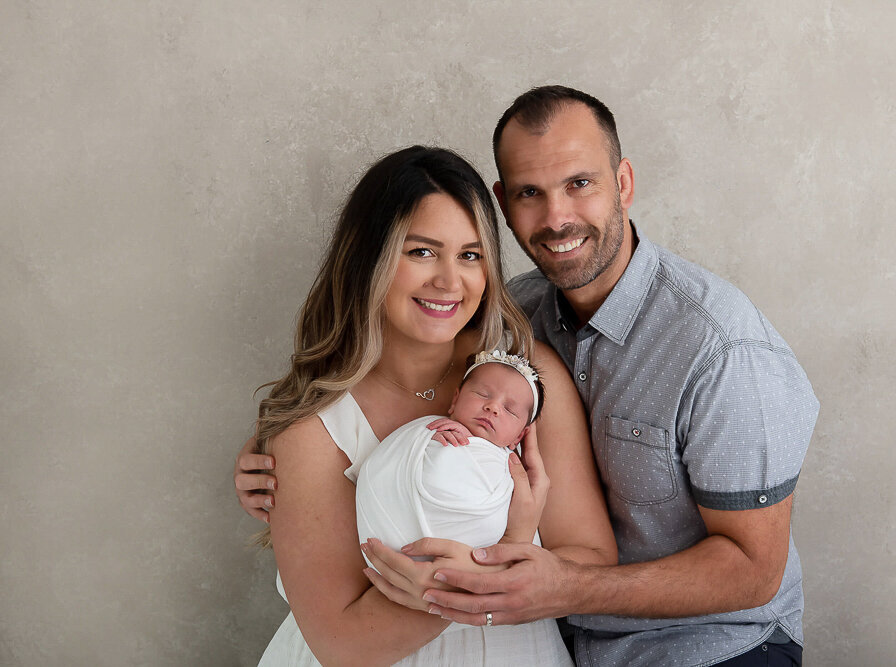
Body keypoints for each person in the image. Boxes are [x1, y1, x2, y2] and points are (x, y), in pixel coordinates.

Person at [238, 87, 820, 666]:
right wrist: (284, 455)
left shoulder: (721, 349)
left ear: (623, 182)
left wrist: (492, 577)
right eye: (530, 193)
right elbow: (342, 633)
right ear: (505, 203)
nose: (557, 216)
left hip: (707, 647)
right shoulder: (519, 322)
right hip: (565, 640)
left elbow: (752, 568)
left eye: (580, 184)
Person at [240, 145, 617, 666]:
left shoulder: (523, 383)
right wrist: (490, 568)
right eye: (420, 252)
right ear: (368, 258)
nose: (448, 281)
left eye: (470, 255)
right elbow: (343, 644)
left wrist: (458, 582)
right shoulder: (309, 429)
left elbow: (591, 557)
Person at [356, 350, 547, 568]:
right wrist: (433, 442)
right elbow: (389, 466)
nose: (493, 407)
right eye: (483, 394)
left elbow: (510, 516)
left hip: (487, 561)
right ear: (455, 400)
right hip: (395, 549)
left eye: (510, 410)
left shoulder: (511, 466)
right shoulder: (428, 432)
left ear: (519, 436)